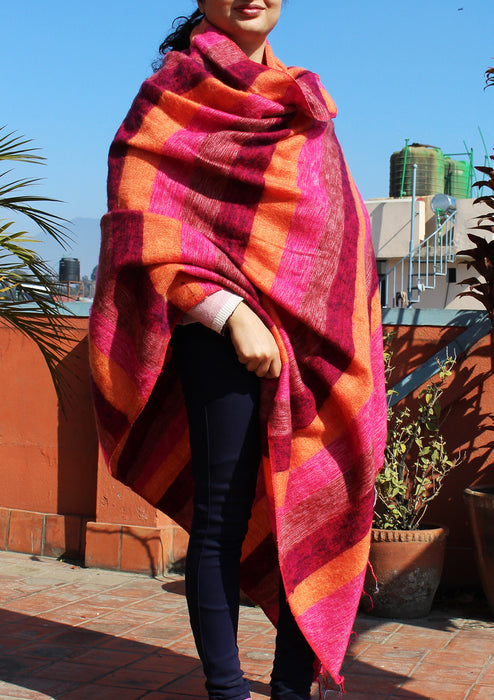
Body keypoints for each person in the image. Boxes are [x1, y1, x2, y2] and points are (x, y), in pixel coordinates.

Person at [89, 2, 387, 699]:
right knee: (221, 518)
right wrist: (228, 312)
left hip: (314, 347)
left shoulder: (305, 105)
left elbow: (334, 232)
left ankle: (290, 690)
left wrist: (329, 324)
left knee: (313, 506)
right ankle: (227, 691)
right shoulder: (170, 95)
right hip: (218, 341)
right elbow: (139, 221)